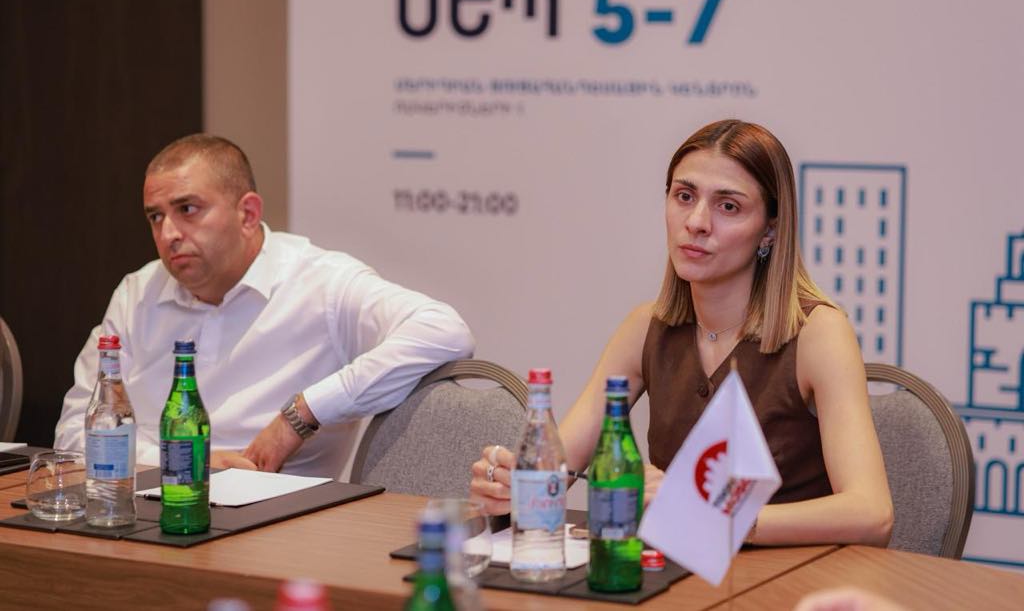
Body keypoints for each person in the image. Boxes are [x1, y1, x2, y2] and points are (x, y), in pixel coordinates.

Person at [470, 119, 893, 546]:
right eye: (684, 196)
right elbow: (556, 472)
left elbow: (872, 515)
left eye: (728, 206)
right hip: (673, 574)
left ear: (770, 229)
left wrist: (719, 516)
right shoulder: (645, 327)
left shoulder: (819, 333)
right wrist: (513, 488)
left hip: (793, 577)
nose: (697, 222)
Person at [55, 134, 474, 478]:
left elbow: (444, 331)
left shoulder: (321, 284)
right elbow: (73, 436)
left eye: (187, 209)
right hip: (145, 508)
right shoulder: (136, 294)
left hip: (281, 524)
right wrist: (184, 460)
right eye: (155, 217)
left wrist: (301, 413)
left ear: (248, 214)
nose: (169, 235)